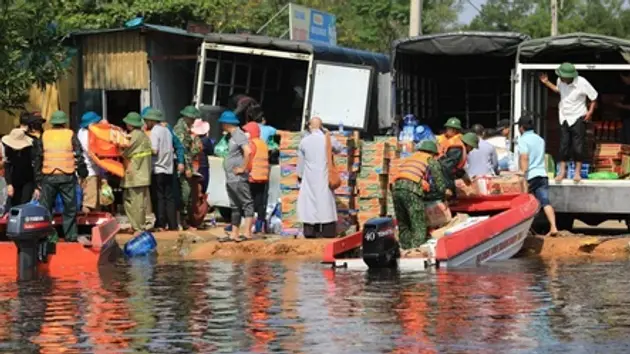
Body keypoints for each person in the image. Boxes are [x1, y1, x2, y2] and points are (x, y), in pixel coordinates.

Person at [33, 111, 88, 244]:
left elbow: (38, 158)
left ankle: (47, 237)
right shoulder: (70, 134)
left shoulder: (45, 135)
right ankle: (71, 237)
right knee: (70, 208)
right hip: (67, 176)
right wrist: (82, 173)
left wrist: (38, 179)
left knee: (46, 209)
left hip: (48, 177)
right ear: (64, 122)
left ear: (52, 123)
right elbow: (79, 155)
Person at [539, 62, 598, 182]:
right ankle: (562, 172)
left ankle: (577, 173)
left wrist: (590, 112)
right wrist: (547, 83)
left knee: (578, 146)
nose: (560, 78)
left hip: (578, 116)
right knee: (563, 145)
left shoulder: (582, 82)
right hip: (564, 116)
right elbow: (558, 90)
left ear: (570, 76)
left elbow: (594, 97)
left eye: (562, 76)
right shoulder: (560, 81)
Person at [391, 140, 447, 249]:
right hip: (411, 190)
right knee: (418, 224)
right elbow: (440, 184)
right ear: (432, 153)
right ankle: (416, 250)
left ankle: (405, 248)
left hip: (396, 189)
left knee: (404, 223)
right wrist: (443, 195)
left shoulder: (411, 158)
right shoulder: (430, 160)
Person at [297, 117, 342, 238]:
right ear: (321, 126)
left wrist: (300, 176)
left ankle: (310, 232)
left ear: (310, 127)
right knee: (325, 203)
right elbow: (339, 148)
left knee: (310, 205)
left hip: (309, 177)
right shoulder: (327, 139)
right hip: (324, 175)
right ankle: (328, 232)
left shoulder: (304, 141)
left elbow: (300, 163)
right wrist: (330, 134)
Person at [516, 114, 559, 236]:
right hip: (542, 174)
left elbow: (524, 156)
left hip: (531, 176)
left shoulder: (523, 139)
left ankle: (524, 231)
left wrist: (522, 172)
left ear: (521, 128)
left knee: (523, 202)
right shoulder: (540, 139)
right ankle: (554, 227)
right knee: (545, 201)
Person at [217, 111, 254, 242]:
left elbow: (248, 152)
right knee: (235, 205)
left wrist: (243, 168)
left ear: (226, 124)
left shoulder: (238, 134)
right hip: (231, 177)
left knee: (246, 203)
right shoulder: (232, 136)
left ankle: (247, 232)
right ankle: (234, 233)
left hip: (238, 177)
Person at [144, 109, 177, 231]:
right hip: (168, 168)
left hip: (158, 168)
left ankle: (160, 224)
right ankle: (173, 224)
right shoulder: (167, 131)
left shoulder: (155, 131)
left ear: (152, 121)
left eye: (146, 120)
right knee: (169, 197)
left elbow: (154, 150)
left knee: (158, 198)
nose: (145, 123)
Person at [121, 112, 152, 234]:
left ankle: (138, 227)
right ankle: (136, 225)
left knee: (136, 202)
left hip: (135, 174)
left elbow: (124, 150)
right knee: (133, 201)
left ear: (130, 124)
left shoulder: (134, 136)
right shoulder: (143, 135)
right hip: (140, 174)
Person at [173, 106, 202, 229]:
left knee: (187, 193)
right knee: (184, 193)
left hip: (185, 164)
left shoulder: (185, 129)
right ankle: (181, 220)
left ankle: (183, 221)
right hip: (182, 166)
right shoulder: (180, 130)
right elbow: (183, 150)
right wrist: (187, 167)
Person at [242, 122, 270, 234]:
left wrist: (244, 170)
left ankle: (248, 226)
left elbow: (249, 160)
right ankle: (260, 224)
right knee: (260, 202)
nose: (245, 134)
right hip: (263, 177)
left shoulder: (251, 144)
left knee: (249, 201)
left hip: (252, 176)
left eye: (246, 132)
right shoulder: (263, 143)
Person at [77, 111, 103, 213]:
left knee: (94, 200)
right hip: (90, 171)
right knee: (89, 202)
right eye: (97, 122)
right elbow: (92, 153)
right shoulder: (86, 135)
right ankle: (85, 224)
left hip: (87, 170)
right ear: (91, 124)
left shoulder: (81, 132)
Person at [2, 127, 35, 208]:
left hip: (28, 179)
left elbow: (35, 167)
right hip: (14, 179)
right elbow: (7, 167)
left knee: (25, 203)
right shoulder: (8, 149)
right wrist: (9, 184)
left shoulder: (30, 150)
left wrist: (37, 186)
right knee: (14, 204)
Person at [439, 131, 478, 197]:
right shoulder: (457, 150)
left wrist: (464, 176)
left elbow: (455, 167)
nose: (471, 150)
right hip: (440, 176)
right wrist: (448, 187)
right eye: (472, 147)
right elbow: (446, 167)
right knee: (450, 197)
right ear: (468, 145)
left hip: (444, 174)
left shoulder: (458, 149)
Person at [191, 118, 212, 192]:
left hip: (194, 164)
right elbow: (210, 151)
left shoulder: (192, 138)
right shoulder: (206, 140)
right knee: (203, 185)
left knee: (195, 185)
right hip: (203, 164)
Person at [615, 73, 630, 144]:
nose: (623, 81)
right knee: (624, 139)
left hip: (628, 119)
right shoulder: (627, 89)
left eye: (623, 78)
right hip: (625, 118)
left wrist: (620, 105)